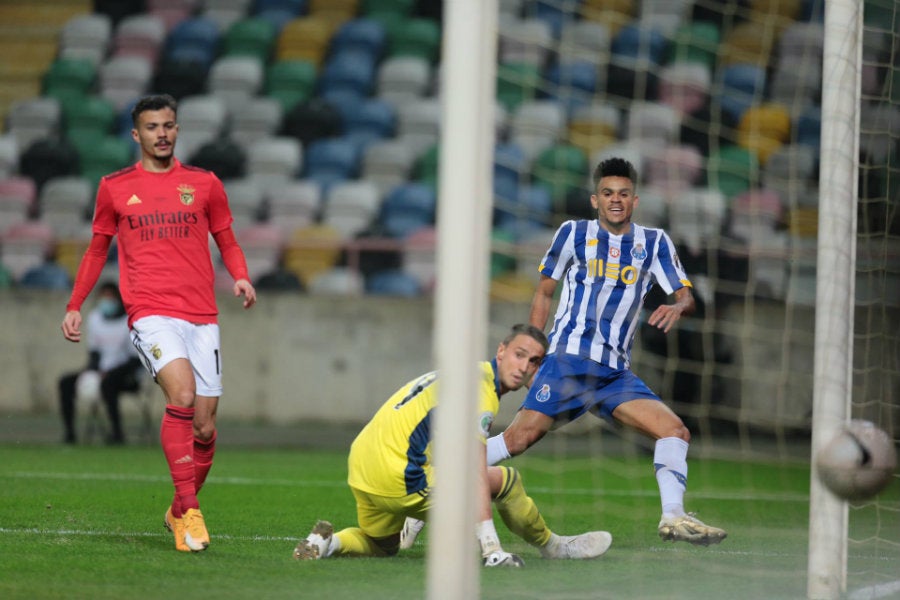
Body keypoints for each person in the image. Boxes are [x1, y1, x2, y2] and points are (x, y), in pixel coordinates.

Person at [483, 157, 727, 546]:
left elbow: (686, 295)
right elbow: (545, 291)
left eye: (624, 194)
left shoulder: (654, 242)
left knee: (675, 430)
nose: (616, 200)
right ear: (595, 200)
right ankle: (439, 483)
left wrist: (679, 306)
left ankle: (674, 516)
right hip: (568, 361)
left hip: (614, 374)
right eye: (608, 194)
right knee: (518, 441)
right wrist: (533, 349)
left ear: (635, 200)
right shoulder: (573, 233)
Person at [60, 94, 257, 553]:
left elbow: (226, 239)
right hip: (150, 312)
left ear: (177, 129)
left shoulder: (204, 183)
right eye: (152, 127)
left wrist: (242, 277)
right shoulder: (113, 187)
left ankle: (174, 511)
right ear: (137, 134)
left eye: (168, 125)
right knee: (182, 395)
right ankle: (191, 512)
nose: (161, 134)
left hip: (202, 316)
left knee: (205, 428)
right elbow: (96, 249)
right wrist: (75, 303)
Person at [292, 324, 612, 567]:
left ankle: (326, 544)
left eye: (534, 362)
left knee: (382, 545)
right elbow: (474, 469)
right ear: (501, 351)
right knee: (505, 481)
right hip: (399, 475)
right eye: (519, 355)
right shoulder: (482, 391)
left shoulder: (463, 373)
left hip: (362, 466)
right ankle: (555, 547)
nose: (525, 367)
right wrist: (491, 547)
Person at [58, 281, 142, 445]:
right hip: (100, 372)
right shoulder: (95, 318)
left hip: (125, 375)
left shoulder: (129, 321)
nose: (106, 301)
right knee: (65, 383)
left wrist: (110, 373)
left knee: (108, 384)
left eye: (110, 297)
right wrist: (89, 370)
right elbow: (95, 353)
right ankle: (70, 434)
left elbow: (135, 360)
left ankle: (117, 434)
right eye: (103, 296)